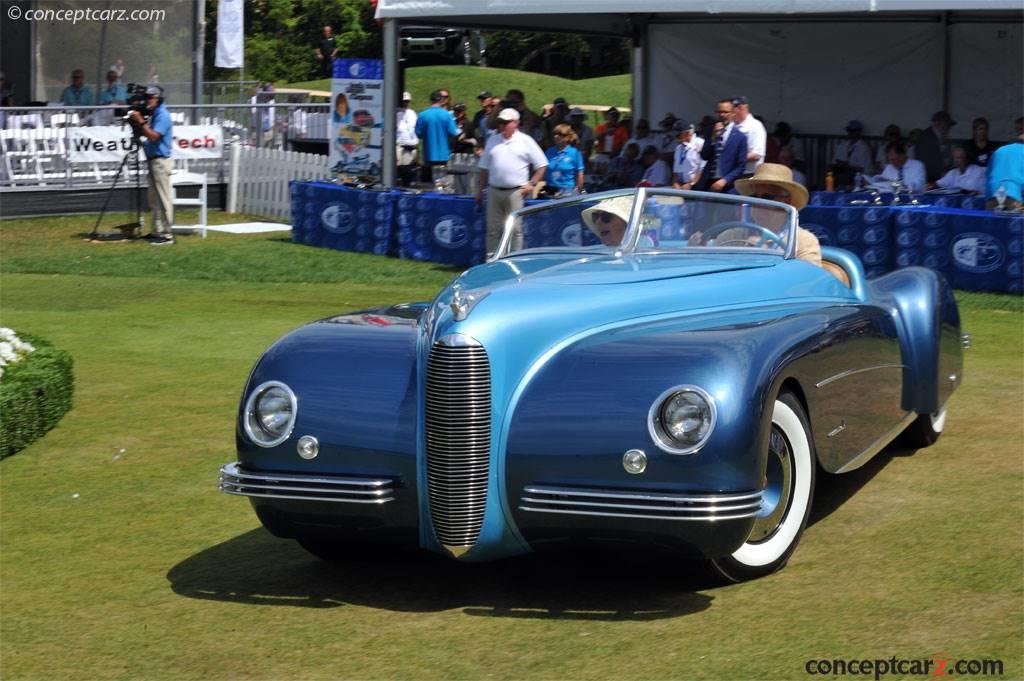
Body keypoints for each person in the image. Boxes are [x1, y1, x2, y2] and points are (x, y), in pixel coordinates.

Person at [476, 108, 548, 255]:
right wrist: (480, 190)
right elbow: (484, 167)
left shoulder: (526, 141)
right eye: (501, 122)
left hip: (516, 191)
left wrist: (531, 184)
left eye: (506, 122)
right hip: (494, 190)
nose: (502, 125)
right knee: (492, 229)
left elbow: (542, 165)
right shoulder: (493, 140)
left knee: (515, 230)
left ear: (516, 123)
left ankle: (514, 259)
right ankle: (491, 261)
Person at [734, 163, 821, 266]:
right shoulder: (733, 236)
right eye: (754, 197)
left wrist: (764, 257)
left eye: (767, 197)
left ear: (786, 203)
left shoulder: (803, 241)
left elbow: (808, 279)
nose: (759, 203)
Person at [128, 85, 174, 245]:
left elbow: (154, 136)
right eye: (146, 97)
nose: (147, 100)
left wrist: (140, 121)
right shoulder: (155, 114)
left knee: (163, 198)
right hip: (154, 160)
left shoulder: (163, 116)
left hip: (160, 161)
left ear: (158, 98)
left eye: (150, 97)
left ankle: (168, 234)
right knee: (154, 199)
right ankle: (156, 231)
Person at [696, 98, 748, 193]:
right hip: (707, 182)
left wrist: (725, 180)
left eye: (725, 112)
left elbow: (741, 166)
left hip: (727, 185)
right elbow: (704, 156)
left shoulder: (740, 137)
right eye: (719, 112)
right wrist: (713, 139)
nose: (722, 115)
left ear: (733, 113)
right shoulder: (710, 130)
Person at [415, 89, 457, 184]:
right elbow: (453, 132)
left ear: (431, 100)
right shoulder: (447, 115)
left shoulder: (423, 115)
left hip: (428, 155)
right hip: (443, 156)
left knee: (429, 184)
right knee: (442, 184)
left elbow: (418, 134)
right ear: (441, 100)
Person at [985, 129, 1023, 210]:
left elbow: (987, 174)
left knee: (991, 222)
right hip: (1013, 194)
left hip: (993, 193)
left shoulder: (999, 150)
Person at [543, 123, 585, 196]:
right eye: (555, 134)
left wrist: (579, 189)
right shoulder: (549, 151)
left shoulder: (574, 153)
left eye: (560, 134)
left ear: (567, 137)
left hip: (568, 190)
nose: (556, 136)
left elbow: (580, 173)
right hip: (550, 189)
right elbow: (543, 169)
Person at [915, 110, 956, 183]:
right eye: (947, 125)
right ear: (938, 124)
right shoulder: (926, 138)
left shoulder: (939, 137)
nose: (949, 128)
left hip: (936, 180)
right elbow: (927, 163)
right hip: (930, 181)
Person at [731, 96, 766, 176]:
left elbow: (756, 155)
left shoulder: (755, 125)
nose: (733, 110)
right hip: (730, 174)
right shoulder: (730, 126)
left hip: (748, 174)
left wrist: (731, 158)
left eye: (737, 107)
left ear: (745, 107)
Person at [671, 119, 705, 190]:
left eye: (678, 135)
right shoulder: (678, 148)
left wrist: (691, 184)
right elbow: (676, 170)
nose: (676, 138)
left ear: (688, 133)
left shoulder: (700, 144)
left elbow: (702, 168)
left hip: (695, 187)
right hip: (680, 187)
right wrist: (675, 183)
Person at [396, 91, 418, 186]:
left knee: (410, 167)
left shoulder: (412, 113)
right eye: (404, 101)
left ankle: (407, 183)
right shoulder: (394, 112)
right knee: (399, 167)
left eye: (407, 101)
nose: (405, 103)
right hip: (400, 144)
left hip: (412, 144)